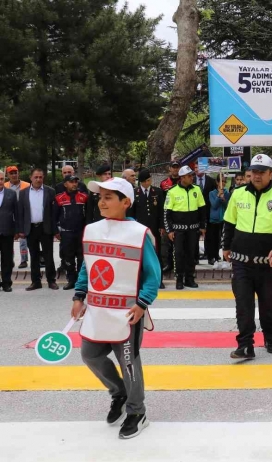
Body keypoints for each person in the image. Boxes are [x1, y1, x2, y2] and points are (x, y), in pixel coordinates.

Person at [70, 177, 161, 439]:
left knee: (129, 363)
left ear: (126, 202)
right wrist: (79, 294)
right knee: (90, 354)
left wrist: (143, 303)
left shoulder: (139, 233)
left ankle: (137, 411)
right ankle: (119, 392)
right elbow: (89, 265)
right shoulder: (94, 229)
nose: (101, 202)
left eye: (109, 197)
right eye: (100, 197)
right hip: (98, 310)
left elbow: (152, 274)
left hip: (127, 312)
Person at [223, 154, 272, 360]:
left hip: (267, 263)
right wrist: (225, 247)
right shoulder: (238, 193)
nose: (257, 176)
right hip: (241, 261)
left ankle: (270, 337)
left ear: (271, 174)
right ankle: (245, 345)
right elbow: (229, 223)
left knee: (267, 303)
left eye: (262, 172)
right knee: (243, 303)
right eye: (254, 172)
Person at [163, 166, 207, 289]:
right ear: (182, 178)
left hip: (193, 229)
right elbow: (167, 213)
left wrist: (203, 226)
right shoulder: (172, 191)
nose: (191, 177)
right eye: (189, 176)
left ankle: (189, 278)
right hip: (178, 230)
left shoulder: (197, 190)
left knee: (191, 254)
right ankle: (179, 279)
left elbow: (202, 209)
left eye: (191, 175)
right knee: (178, 254)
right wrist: (170, 230)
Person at [19, 168, 59, 291]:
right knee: (34, 255)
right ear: (30, 178)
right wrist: (21, 229)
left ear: (43, 178)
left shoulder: (50, 191)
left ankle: (51, 281)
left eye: (40, 177)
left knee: (48, 255)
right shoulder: (23, 193)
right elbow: (21, 212)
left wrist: (55, 230)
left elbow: (54, 213)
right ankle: (36, 282)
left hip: (45, 227)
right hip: (30, 228)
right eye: (36, 177)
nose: (38, 179)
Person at [131, 169, 165, 289]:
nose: (150, 182)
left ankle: (158, 280)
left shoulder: (158, 192)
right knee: (141, 254)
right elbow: (132, 212)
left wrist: (162, 226)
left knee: (156, 254)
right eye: (148, 180)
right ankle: (141, 280)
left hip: (154, 229)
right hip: (139, 229)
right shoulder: (135, 193)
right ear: (143, 182)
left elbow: (161, 210)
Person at [55, 175, 88, 290]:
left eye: (75, 182)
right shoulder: (59, 198)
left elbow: (88, 215)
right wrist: (56, 231)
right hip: (66, 233)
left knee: (81, 258)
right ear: (65, 184)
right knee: (68, 258)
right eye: (71, 182)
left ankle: (81, 281)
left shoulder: (84, 197)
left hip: (81, 233)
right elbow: (54, 216)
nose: (74, 184)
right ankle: (71, 280)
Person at [4, 166, 29, 269]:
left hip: (22, 216)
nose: (14, 175)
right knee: (9, 241)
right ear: (8, 175)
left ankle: (24, 260)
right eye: (11, 173)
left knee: (23, 239)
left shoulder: (26, 185)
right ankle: (10, 260)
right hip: (9, 217)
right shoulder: (4, 186)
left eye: (15, 172)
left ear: (18, 173)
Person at [159, 161, 180, 273]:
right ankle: (167, 264)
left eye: (177, 167)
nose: (175, 170)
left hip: (179, 215)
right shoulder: (164, 183)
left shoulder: (184, 181)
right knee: (166, 243)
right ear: (170, 169)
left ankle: (179, 266)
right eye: (173, 167)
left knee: (179, 244)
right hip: (168, 216)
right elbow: (162, 204)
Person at [0, 170, 19, 292]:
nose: (0, 182)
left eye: (1, 179)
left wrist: (17, 230)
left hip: (7, 231)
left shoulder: (11, 194)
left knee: (7, 259)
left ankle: (6, 283)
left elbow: (16, 213)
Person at [207, 176, 230, 269]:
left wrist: (223, 198)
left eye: (224, 181)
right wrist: (218, 196)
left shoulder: (227, 192)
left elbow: (227, 205)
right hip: (214, 220)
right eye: (221, 181)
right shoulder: (211, 193)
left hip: (224, 219)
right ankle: (214, 257)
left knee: (223, 239)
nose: (223, 183)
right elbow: (214, 205)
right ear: (217, 182)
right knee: (214, 240)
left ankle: (224, 258)